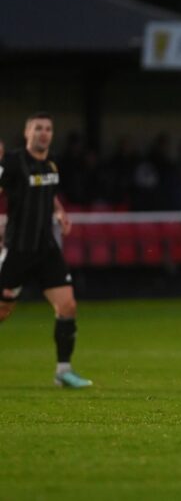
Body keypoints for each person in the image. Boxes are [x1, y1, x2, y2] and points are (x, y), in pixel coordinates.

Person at [0, 112, 92, 387]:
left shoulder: (52, 165)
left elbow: (49, 195)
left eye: (48, 129)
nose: (43, 133)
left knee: (68, 306)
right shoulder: (14, 163)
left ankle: (63, 372)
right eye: (38, 128)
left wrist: (60, 212)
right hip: (18, 248)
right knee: (3, 310)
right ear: (27, 133)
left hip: (46, 248)